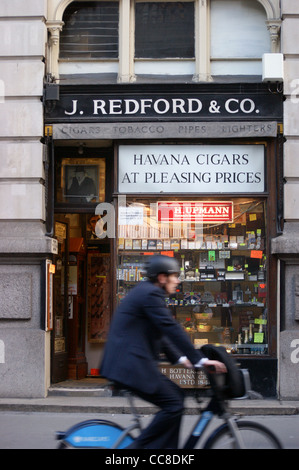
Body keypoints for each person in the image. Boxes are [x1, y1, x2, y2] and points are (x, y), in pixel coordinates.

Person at [100, 255, 227, 449]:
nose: (177, 281)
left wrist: (182, 358)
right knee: (174, 403)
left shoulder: (147, 292)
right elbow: (170, 328)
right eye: (174, 276)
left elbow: (161, 333)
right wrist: (200, 360)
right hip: (130, 366)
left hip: (130, 364)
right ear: (162, 278)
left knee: (176, 397)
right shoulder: (150, 294)